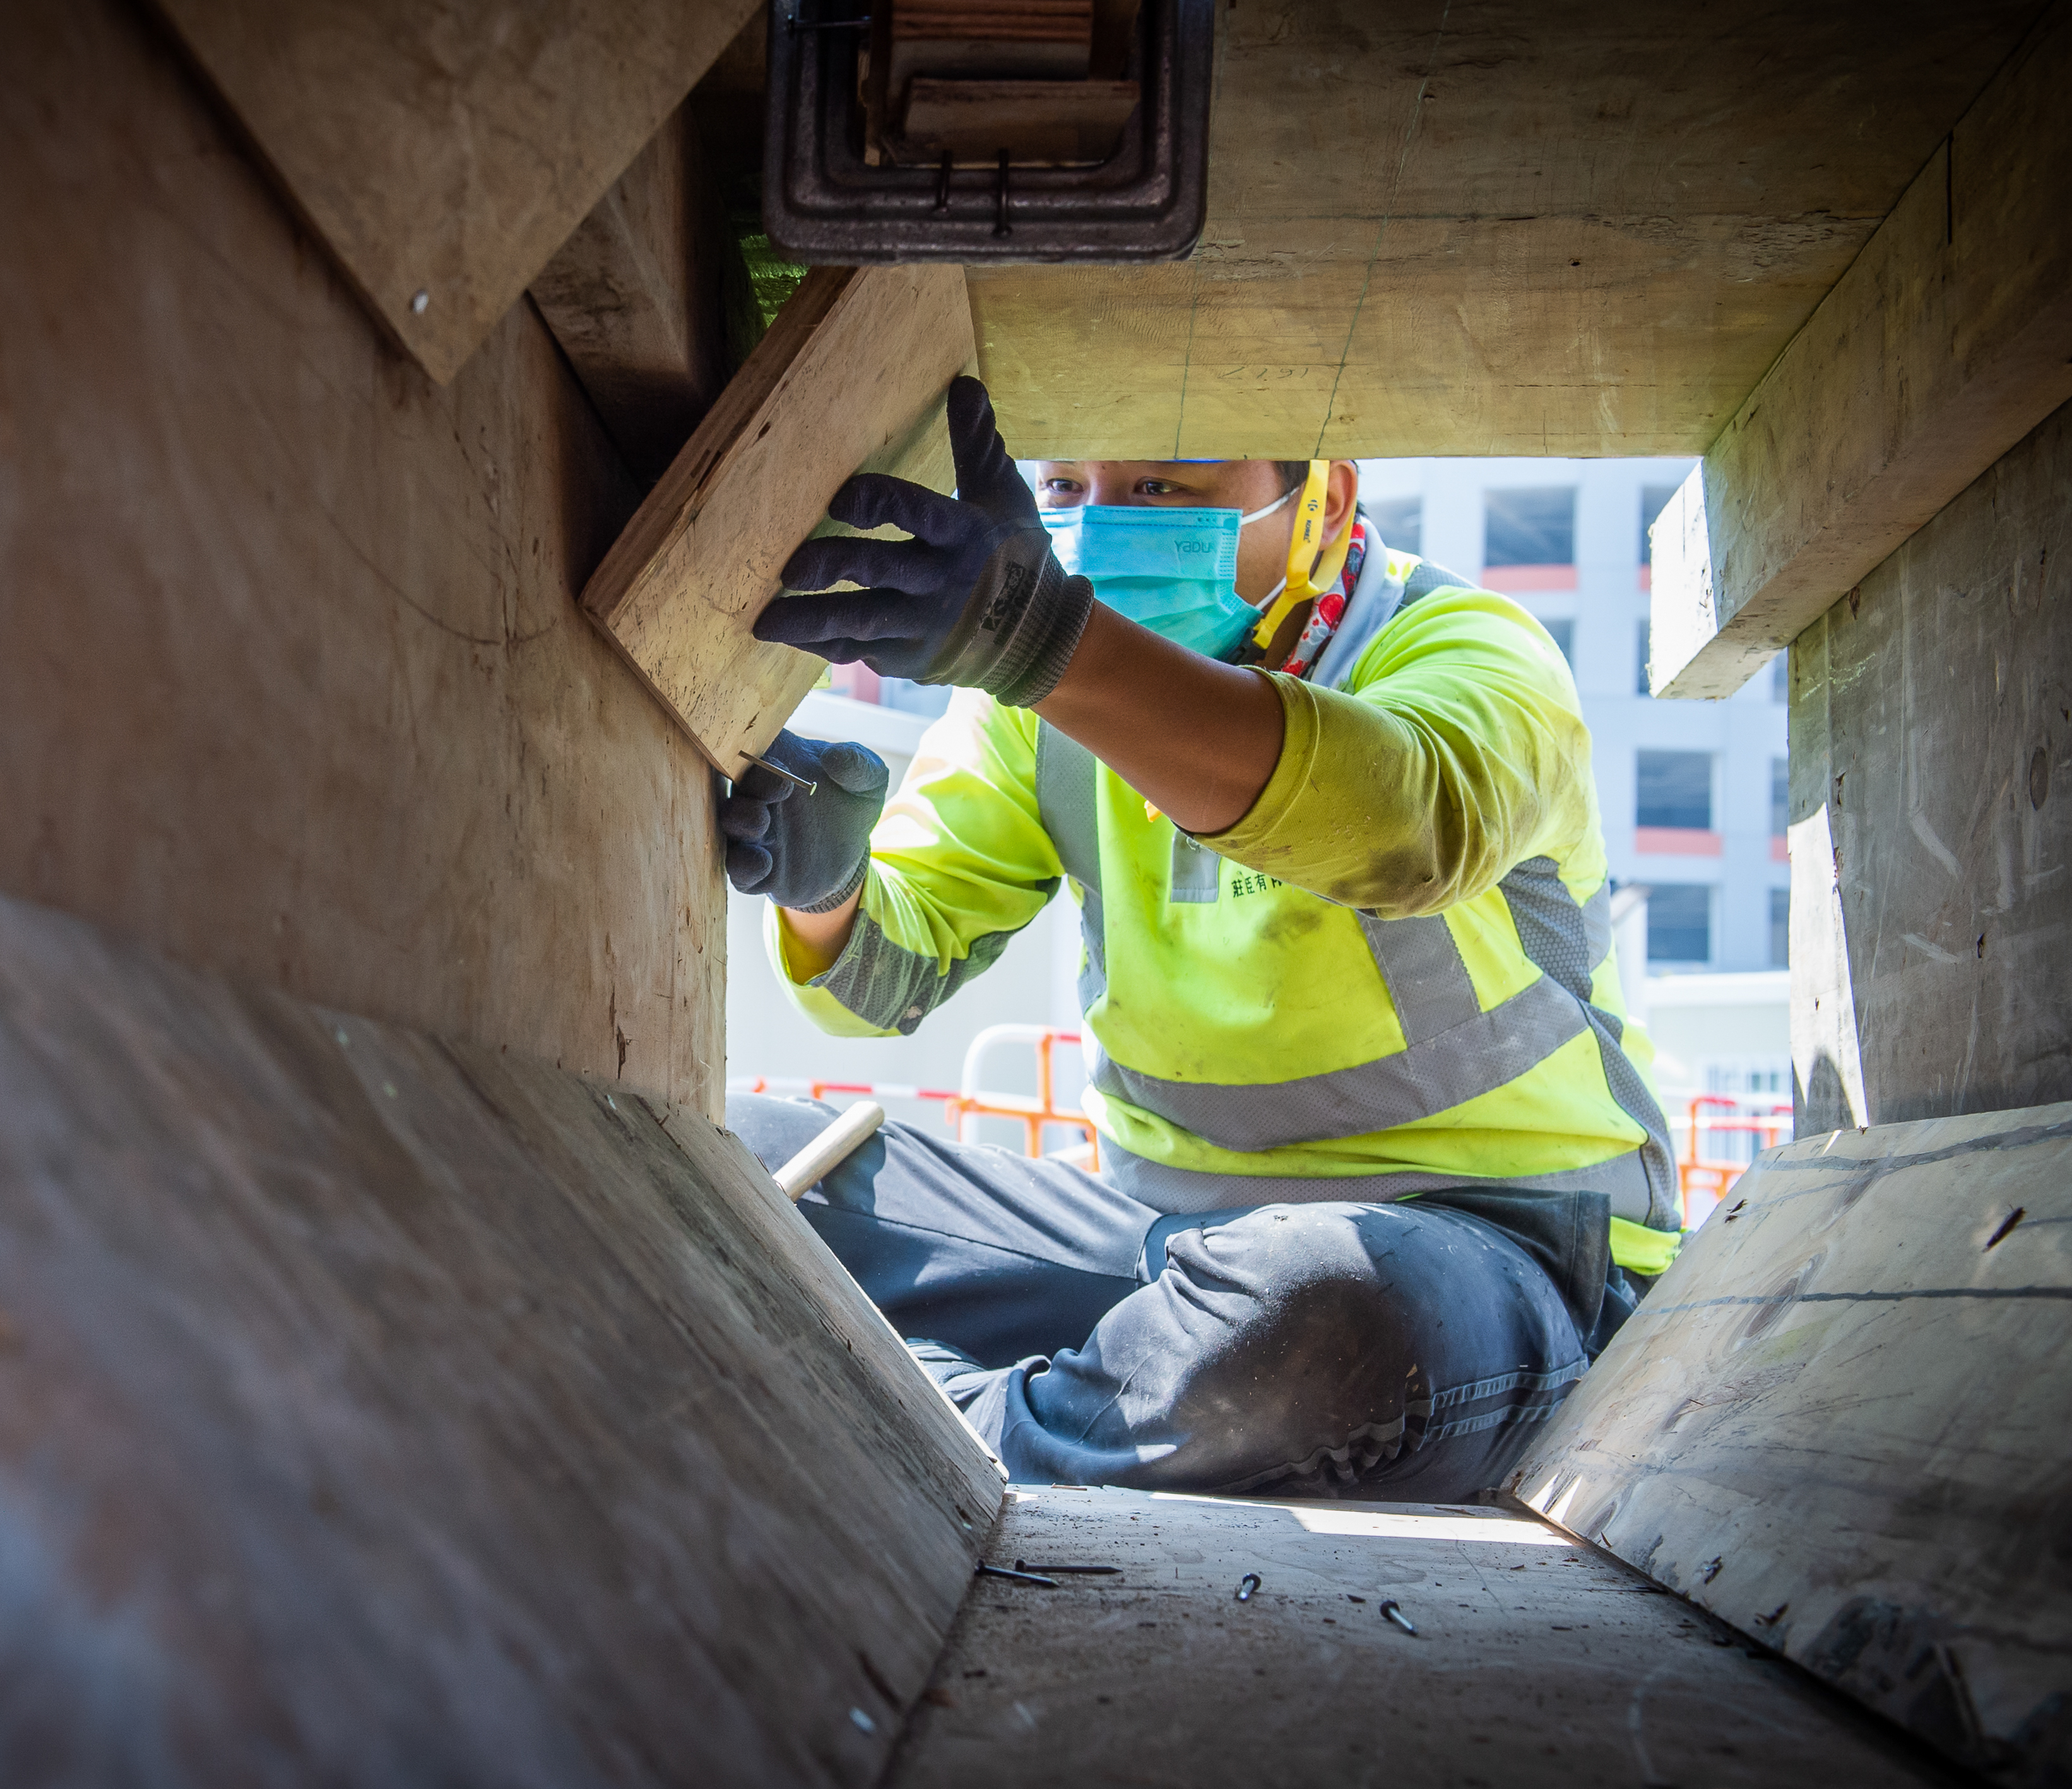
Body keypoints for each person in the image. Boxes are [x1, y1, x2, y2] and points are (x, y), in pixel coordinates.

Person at [719, 377, 1681, 1500]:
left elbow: (1411, 828)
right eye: (1070, 486)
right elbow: (887, 978)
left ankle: (911, 1425)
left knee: (1323, 1311)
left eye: (1164, 485)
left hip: (1503, 1260)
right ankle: (1017, 1415)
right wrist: (826, 884)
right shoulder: (1033, 697)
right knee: (733, 1162)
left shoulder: (1465, 650)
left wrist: (1048, 645)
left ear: (1322, 507)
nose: (1101, 522)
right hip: (1169, 1243)